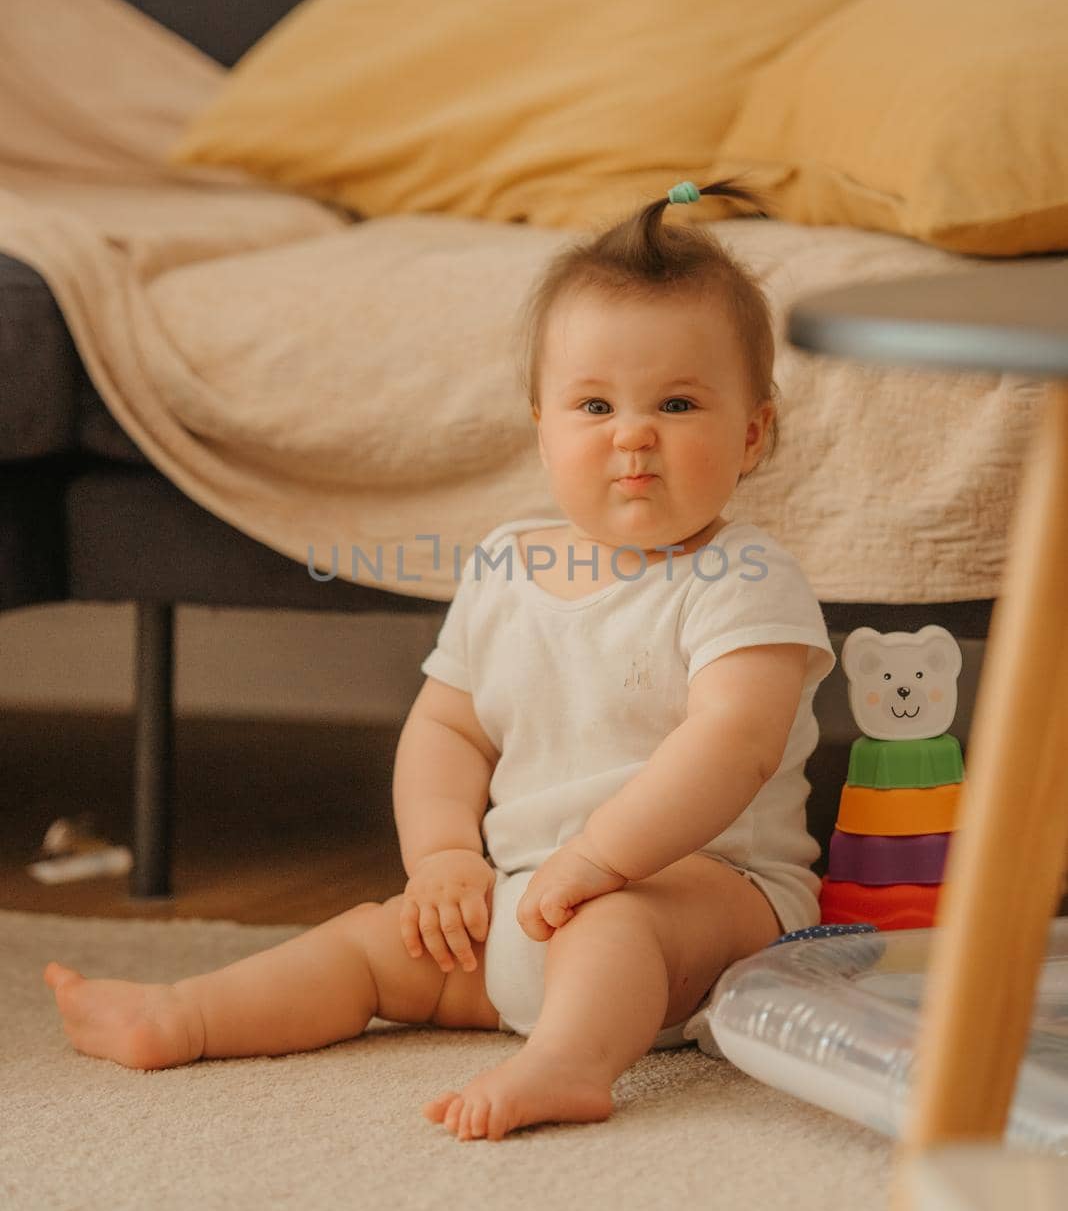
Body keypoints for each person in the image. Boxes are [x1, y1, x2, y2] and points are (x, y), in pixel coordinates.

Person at [43, 176, 836, 1142]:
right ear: (541, 425)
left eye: (676, 402)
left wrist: (597, 860)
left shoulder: (745, 575)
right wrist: (446, 858)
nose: (633, 435)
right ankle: (187, 1017)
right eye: (594, 405)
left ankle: (567, 1065)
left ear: (752, 432)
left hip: (713, 905)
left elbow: (735, 744)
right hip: (522, 896)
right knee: (375, 945)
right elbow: (448, 726)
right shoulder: (507, 564)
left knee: (618, 920)